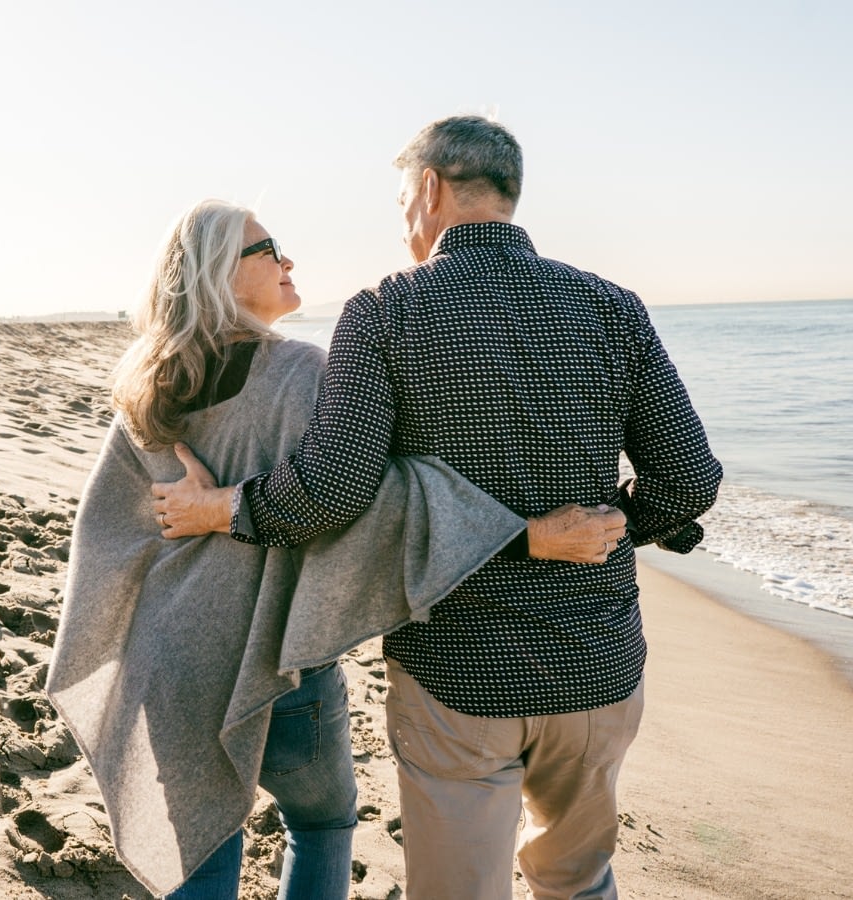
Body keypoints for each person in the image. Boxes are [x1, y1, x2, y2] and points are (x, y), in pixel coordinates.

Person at [152, 117, 723, 900]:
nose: (403, 220)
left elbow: (332, 491)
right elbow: (690, 479)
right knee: (580, 884)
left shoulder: (386, 310)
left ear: (429, 189)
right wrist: (624, 523)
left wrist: (225, 508)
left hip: (459, 672)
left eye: (400, 200)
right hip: (599, 662)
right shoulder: (611, 306)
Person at [46, 199, 624, 899]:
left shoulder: (147, 385)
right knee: (321, 824)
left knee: (201, 847)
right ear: (219, 274)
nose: (288, 261)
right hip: (281, 665)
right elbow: (374, 502)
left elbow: (107, 530)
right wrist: (526, 533)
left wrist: (191, 532)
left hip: (170, 665)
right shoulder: (302, 375)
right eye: (269, 250)